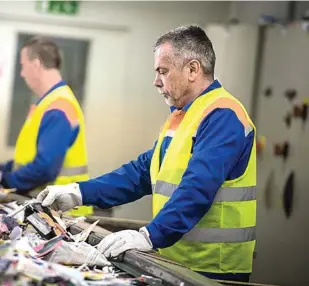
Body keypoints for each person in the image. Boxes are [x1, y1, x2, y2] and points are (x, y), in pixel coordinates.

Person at [37, 25, 256, 282]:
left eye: (163, 71)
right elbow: (142, 173)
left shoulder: (223, 115)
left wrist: (149, 235)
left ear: (193, 69)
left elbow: (198, 187)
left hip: (212, 269)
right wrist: (79, 192)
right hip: (175, 261)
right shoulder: (181, 115)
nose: (156, 81)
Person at [0, 37, 92, 217]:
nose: (22, 73)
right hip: (52, 211)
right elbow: (31, 155)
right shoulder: (50, 102)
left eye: (23, 65)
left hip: (62, 214)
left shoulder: (59, 106)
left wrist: (5, 181)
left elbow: (45, 168)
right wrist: (1, 170)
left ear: (36, 64)